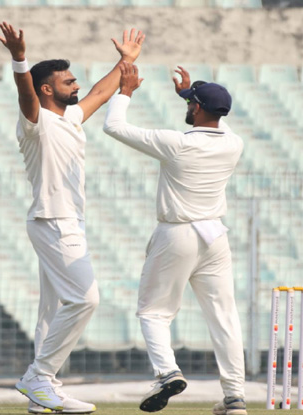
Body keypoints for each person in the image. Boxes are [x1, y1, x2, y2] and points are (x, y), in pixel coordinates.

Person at [0, 22, 145, 414]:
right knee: (85, 299)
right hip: (53, 219)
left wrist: (124, 61)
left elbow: (99, 92)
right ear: (48, 89)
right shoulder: (36, 122)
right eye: (67, 81)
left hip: (66, 221)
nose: (76, 85)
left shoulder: (72, 117)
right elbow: (25, 92)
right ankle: (38, 376)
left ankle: (43, 393)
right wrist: (19, 58)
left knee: (52, 310)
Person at [103, 63, 247, 415]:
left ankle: (167, 372)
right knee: (224, 316)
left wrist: (126, 91)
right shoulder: (234, 144)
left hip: (178, 232)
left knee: (154, 311)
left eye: (190, 104)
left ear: (196, 109)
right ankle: (235, 398)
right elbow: (218, 118)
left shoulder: (177, 143)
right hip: (215, 235)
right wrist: (189, 94)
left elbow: (113, 126)